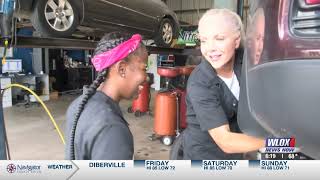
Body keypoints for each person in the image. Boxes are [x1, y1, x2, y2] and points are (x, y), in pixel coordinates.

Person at [181, 9, 265, 160]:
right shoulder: (200, 82)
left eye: (219, 38)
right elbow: (225, 141)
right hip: (205, 158)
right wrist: (282, 144)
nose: (210, 48)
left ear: (237, 41)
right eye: (204, 40)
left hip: (239, 155)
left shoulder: (246, 62)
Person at [65, 32, 148, 160]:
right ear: (122, 69)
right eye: (144, 68)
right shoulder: (113, 129)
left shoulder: (78, 104)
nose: (146, 77)